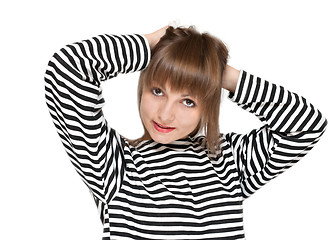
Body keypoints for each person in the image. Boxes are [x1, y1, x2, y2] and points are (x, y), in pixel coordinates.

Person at [44, 25, 327, 240]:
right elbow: (67, 71)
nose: (165, 114)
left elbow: (305, 126)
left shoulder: (229, 160)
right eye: (157, 91)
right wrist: (147, 45)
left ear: (208, 105)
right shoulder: (112, 165)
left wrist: (220, 75)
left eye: (188, 100)